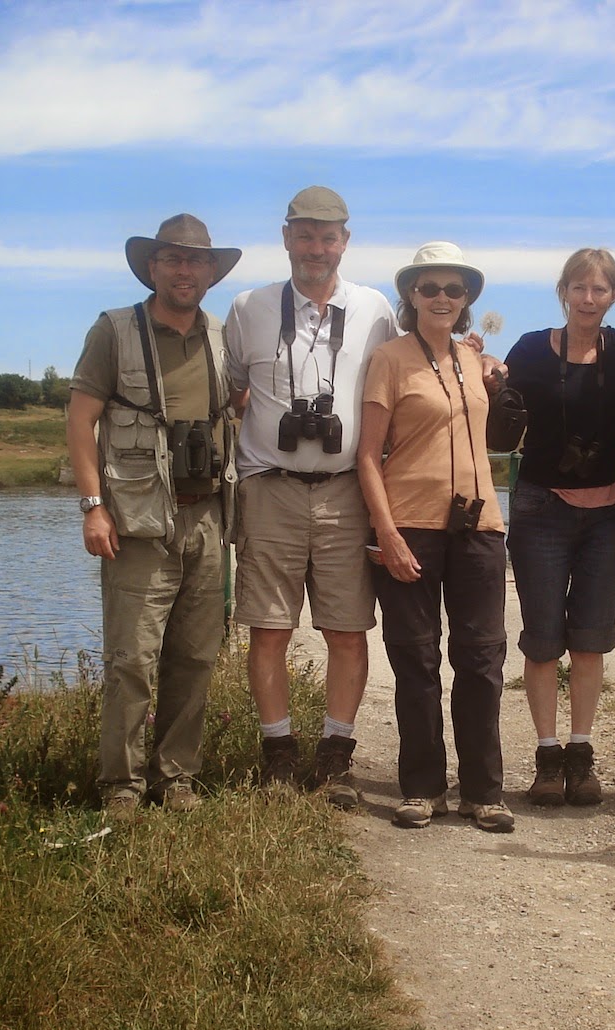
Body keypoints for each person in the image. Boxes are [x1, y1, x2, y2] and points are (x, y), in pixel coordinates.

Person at [224, 186, 398, 806]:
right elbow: (233, 391)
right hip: (269, 488)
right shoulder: (249, 308)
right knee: (268, 629)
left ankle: (335, 756)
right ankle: (277, 752)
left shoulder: (375, 309)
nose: (316, 248)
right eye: (305, 234)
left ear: (345, 242)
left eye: (328, 237)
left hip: (347, 491)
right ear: (286, 237)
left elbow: (407, 370)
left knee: (347, 630)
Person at [67, 214, 241, 816]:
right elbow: (79, 419)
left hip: (208, 518)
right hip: (137, 520)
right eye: (172, 258)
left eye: (195, 260)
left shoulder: (221, 336)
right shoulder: (114, 330)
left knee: (195, 655)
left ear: (212, 272)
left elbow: (239, 403)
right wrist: (94, 507)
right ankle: (122, 782)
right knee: (132, 657)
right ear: (151, 267)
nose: (184, 270)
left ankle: (177, 777)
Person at [357, 242, 514, 833]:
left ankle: (483, 790)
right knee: (416, 659)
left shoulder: (476, 361)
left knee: (481, 659)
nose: (442, 298)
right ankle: (422, 786)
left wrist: (495, 368)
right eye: (430, 288)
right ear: (411, 296)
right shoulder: (390, 359)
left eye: (454, 289)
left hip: (479, 526)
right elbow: (368, 456)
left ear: (468, 298)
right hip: (412, 525)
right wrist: (386, 532)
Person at [501, 249, 615, 808]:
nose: (588, 299)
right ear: (563, 291)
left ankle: (582, 753)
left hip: (605, 513)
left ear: (614, 297)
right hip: (541, 508)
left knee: (592, 638)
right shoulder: (530, 348)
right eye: (579, 288)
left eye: (600, 290)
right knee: (544, 637)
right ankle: (547, 756)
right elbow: (493, 399)